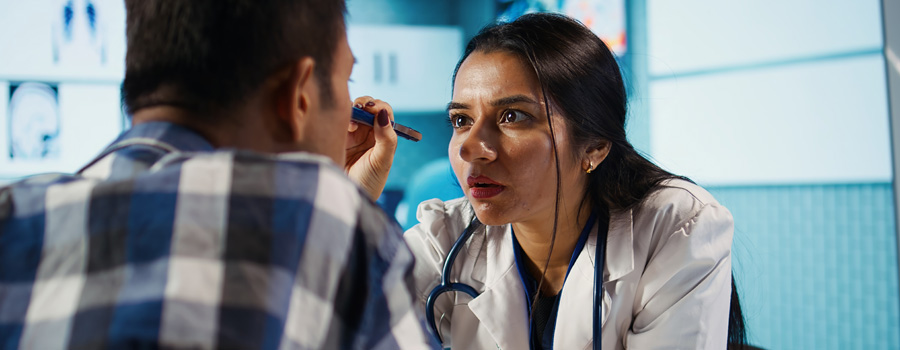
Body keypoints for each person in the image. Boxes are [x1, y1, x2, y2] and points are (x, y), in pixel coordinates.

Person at [0, 0, 436, 349]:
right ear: (298, 97)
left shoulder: (13, 213)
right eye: (347, 78)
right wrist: (346, 207)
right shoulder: (325, 211)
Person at [402, 13, 745, 349]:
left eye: (513, 117)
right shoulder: (447, 235)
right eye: (461, 120)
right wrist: (352, 187)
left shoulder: (674, 226)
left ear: (594, 146)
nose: (471, 148)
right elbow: (353, 327)